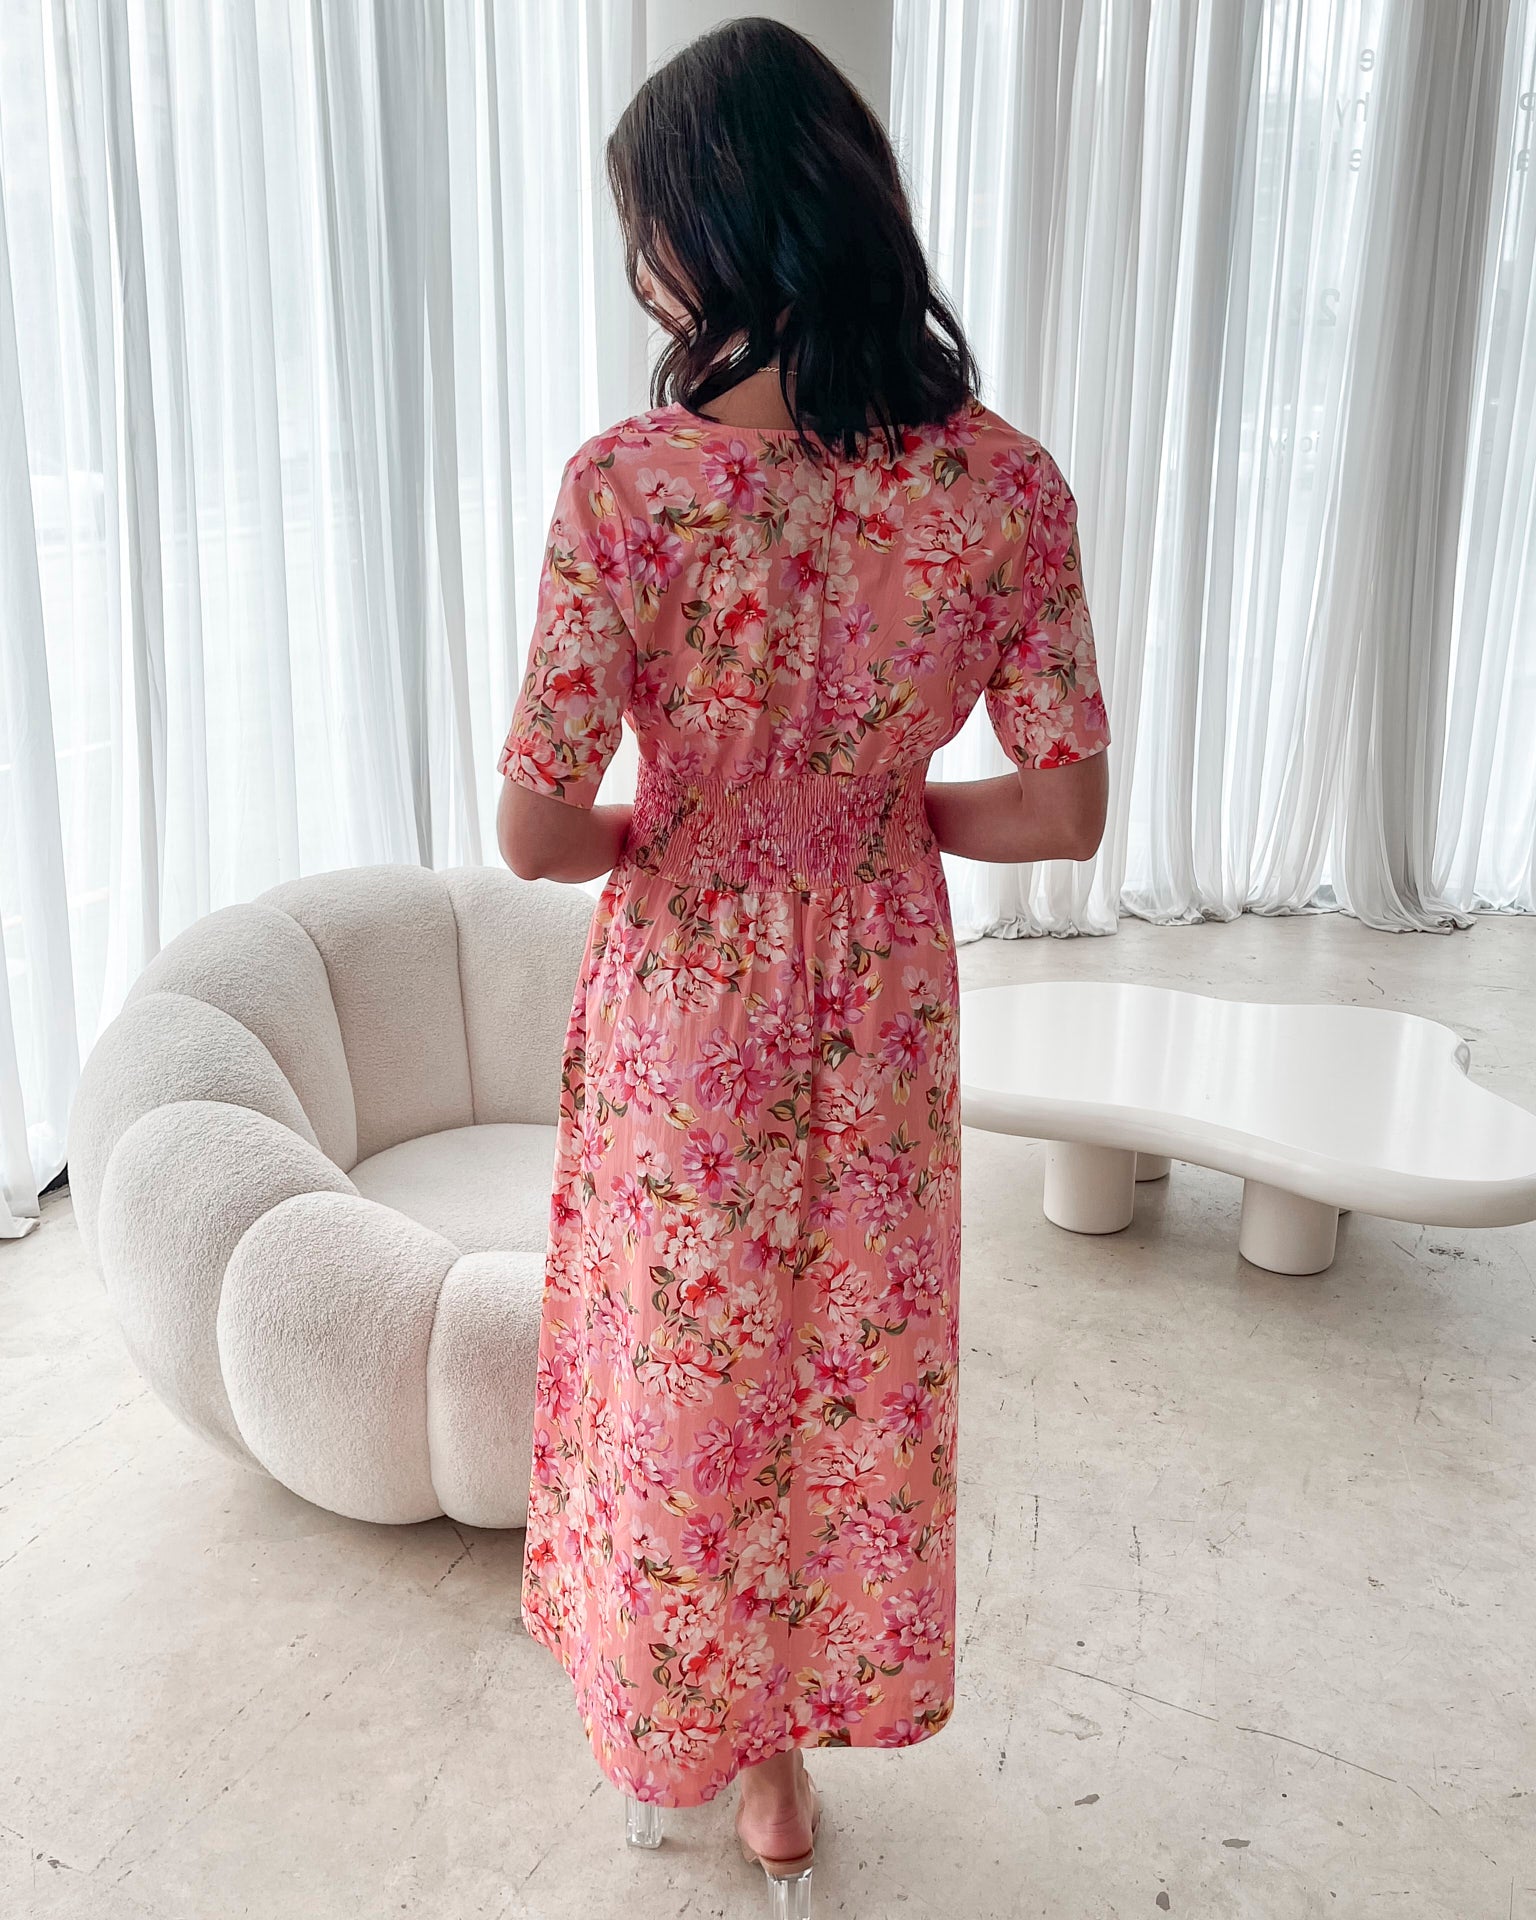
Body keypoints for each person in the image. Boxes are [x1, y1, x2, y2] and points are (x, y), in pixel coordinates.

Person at [495, 17, 1109, 1914]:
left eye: (648, 228)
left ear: (703, 233)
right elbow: (1064, 811)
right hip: (885, 984)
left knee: (683, 1363)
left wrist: (696, 825)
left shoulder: (629, 488)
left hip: (688, 982)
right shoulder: (1006, 487)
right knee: (844, 1365)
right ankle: (784, 1759)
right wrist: (880, 810)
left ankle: (685, 1732)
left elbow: (534, 835)